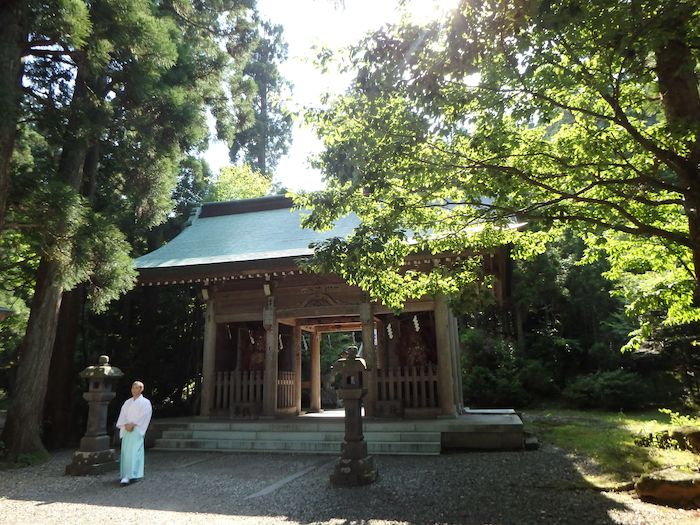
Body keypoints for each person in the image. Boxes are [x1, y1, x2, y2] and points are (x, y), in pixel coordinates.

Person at [115, 380, 153, 486]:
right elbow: (123, 415)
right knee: (126, 453)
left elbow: (145, 416)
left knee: (135, 452)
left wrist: (134, 424)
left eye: (137, 388)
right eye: (133, 388)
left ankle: (134, 474)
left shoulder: (145, 402)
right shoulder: (127, 402)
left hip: (137, 429)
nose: (134, 390)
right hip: (127, 428)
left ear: (141, 389)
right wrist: (125, 424)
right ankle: (125, 475)